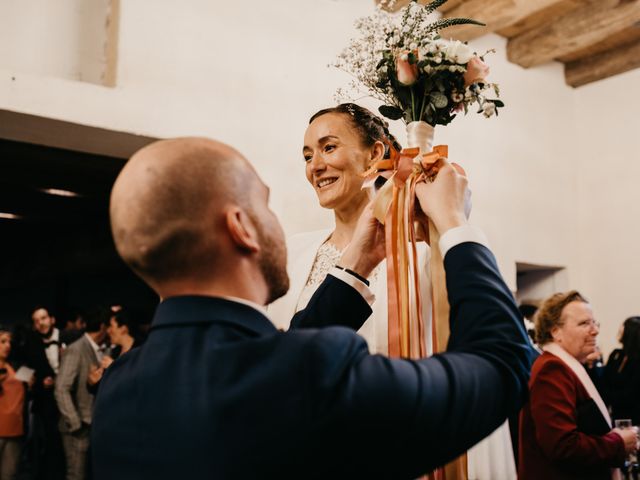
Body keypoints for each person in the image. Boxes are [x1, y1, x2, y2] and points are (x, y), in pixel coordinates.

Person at [91, 136, 531, 479]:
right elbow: (503, 362)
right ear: (241, 227)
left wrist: (358, 262)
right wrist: (455, 224)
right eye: (263, 203)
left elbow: (275, 352)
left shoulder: (119, 388)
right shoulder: (310, 374)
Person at [268, 103, 515, 479]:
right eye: (307, 155)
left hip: (409, 449)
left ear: (376, 154)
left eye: (328, 147)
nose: (314, 166)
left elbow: (471, 351)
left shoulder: (427, 250)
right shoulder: (294, 253)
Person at [519, 291, 638, 480]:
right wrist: (617, 442)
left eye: (594, 323)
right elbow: (562, 446)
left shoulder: (565, 365)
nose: (595, 330)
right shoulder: (552, 369)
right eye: (584, 323)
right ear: (555, 331)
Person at [55, 307, 110, 480]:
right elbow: (61, 388)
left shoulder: (100, 348)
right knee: (76, 475)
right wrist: (75, 423)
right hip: (78, 428)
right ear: (103, 327)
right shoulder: (76, 348)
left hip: (91, 424)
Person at [0, 324, 26, 480]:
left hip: (15, 429)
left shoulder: (15, 367)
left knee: (9, 474)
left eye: (9, 342)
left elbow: (29, 385)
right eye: (2, 342)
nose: (7, 346)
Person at [603, 316, 640, 424]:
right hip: (615, 415)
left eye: (623, 326)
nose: (620, 329)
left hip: (635, 418)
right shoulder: (616, 354)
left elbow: (631, 394)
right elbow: (605, 381)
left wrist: (608, 395)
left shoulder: (637, 360)